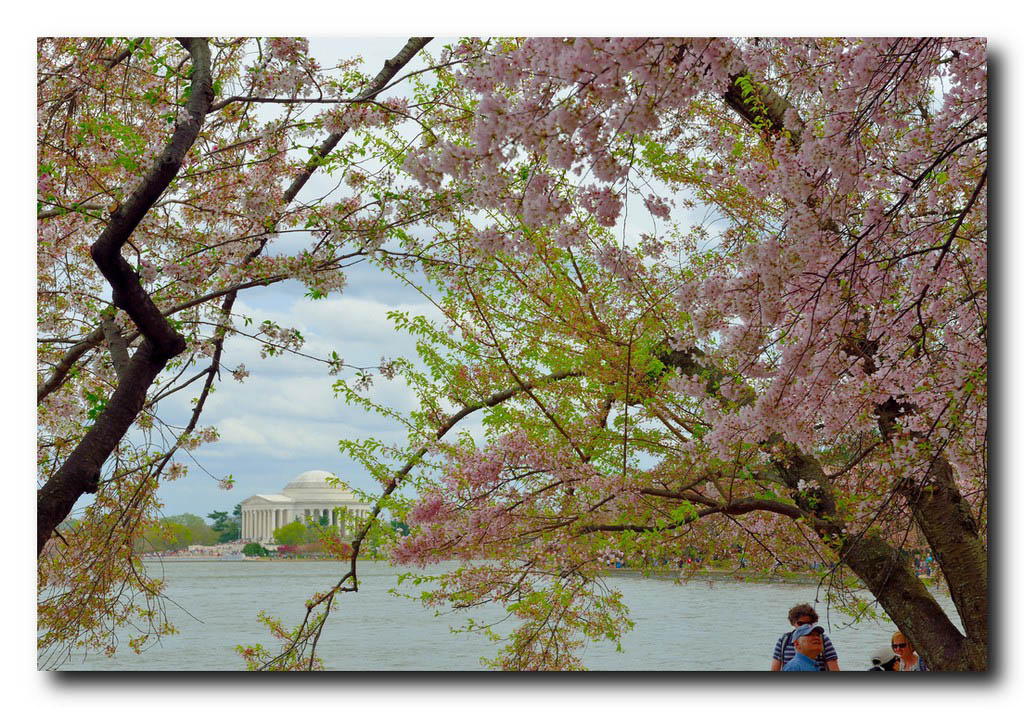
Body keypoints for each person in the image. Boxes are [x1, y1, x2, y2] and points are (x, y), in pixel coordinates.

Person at [770, 603, 840, 671]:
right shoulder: (784, 640)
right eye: (801, 623)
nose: (805, 626)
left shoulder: (822, 640)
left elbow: (834, 667)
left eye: (808, 623)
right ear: (793, 622)